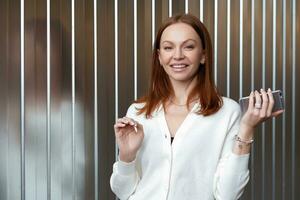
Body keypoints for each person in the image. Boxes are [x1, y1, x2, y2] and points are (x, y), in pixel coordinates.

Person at [110, 14, 283, 200]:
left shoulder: (227, 112)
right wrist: (127, 156)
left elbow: (227, 194)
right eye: (168, 48)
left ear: (203, 55)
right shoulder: (138, 112)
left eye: (189, 47)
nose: (177, 55)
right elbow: (124, 192)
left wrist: (247, 129)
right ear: (159, 57)